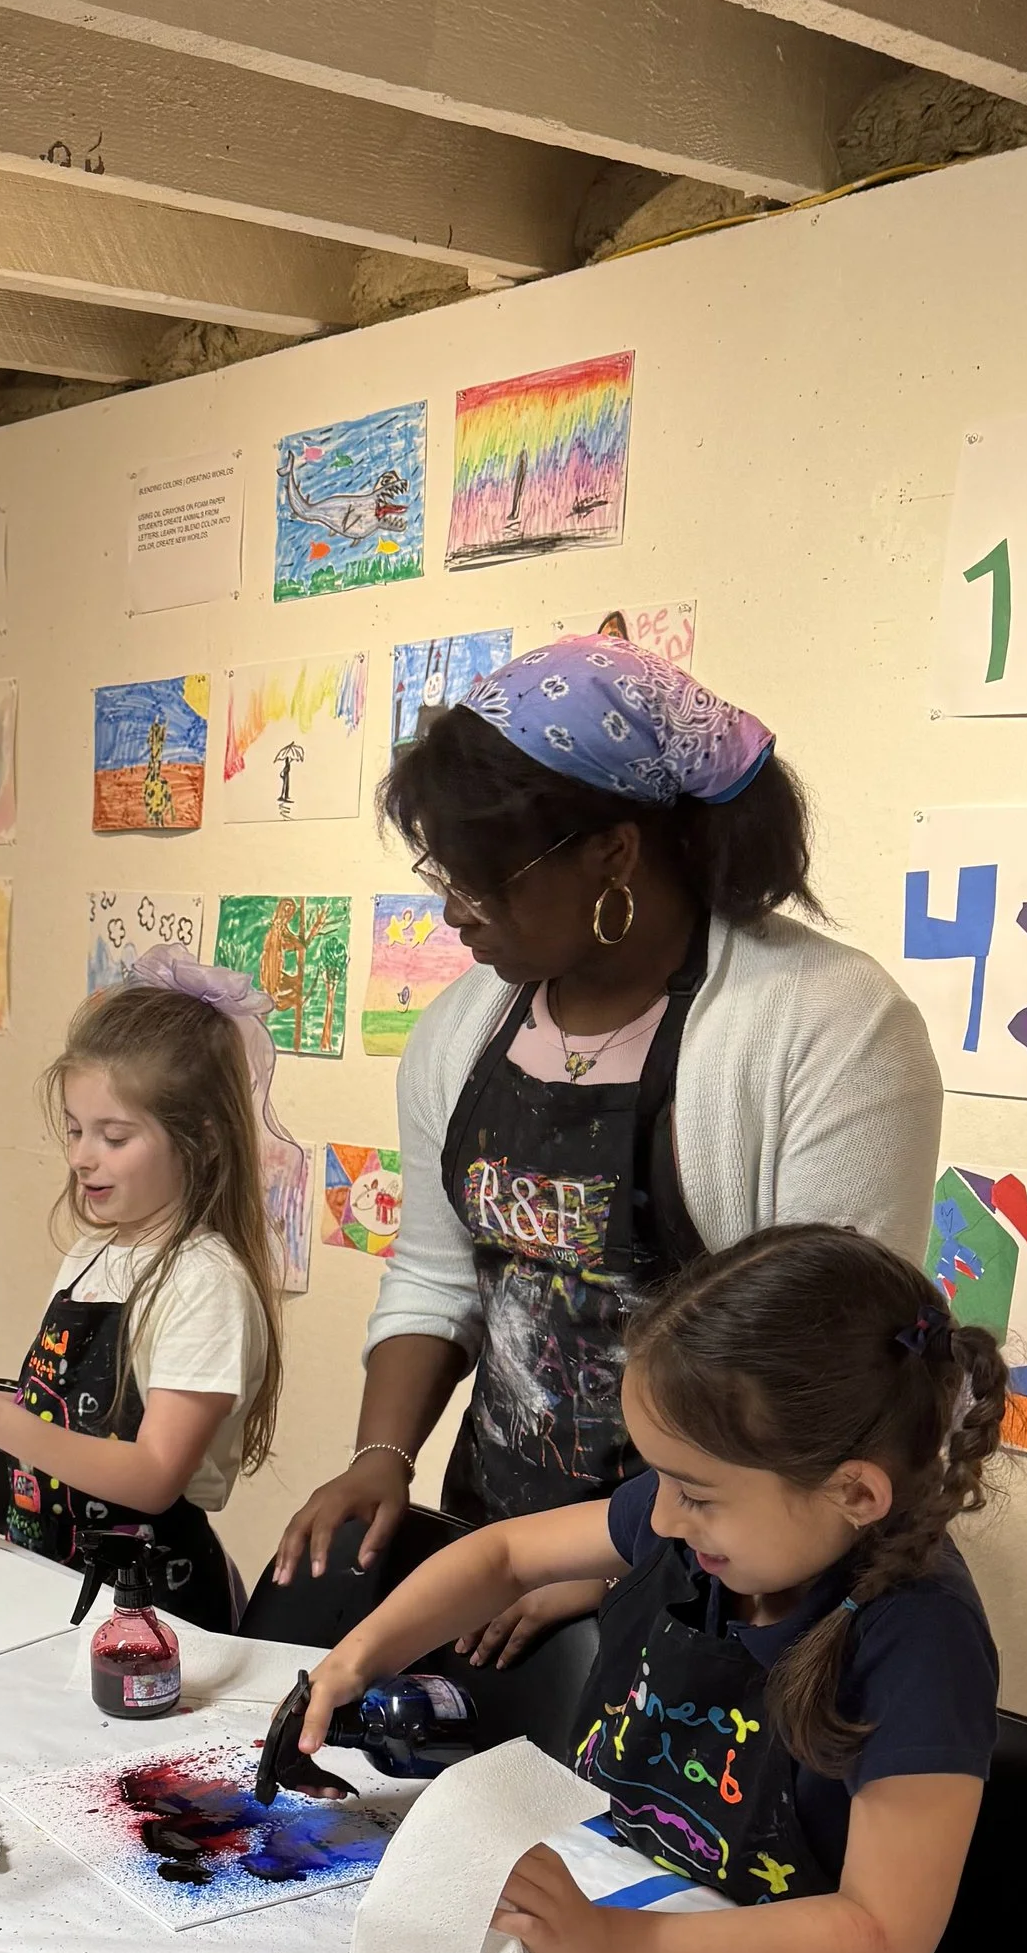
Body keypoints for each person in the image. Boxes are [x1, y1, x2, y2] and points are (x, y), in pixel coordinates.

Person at [272, 634, 942, 1656]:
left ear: (613, 854)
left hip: (729, 1570)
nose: (454, 913)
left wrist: (632, 1550)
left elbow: (828, 1366)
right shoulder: (464, 1027)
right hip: (496, 1534)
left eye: (483, 881)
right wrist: (380, 1455)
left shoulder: (828, 1026)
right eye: (441, 875)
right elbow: (434, 1272)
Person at [300, 1228, 1005, 1953]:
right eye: (658, 1479)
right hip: (626, 1888)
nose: (660, 1518)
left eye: (696, 1493)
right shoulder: (699, 1529)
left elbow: (880, 1934)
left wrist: (609, 1944)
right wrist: (359, 1655)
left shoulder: (922, 1640)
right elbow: (503, 1558)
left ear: (855, 1494)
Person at [0, 972, 283, 1633]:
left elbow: (152, 1474)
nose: (82, 1157)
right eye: (76, 1129)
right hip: (52, 1581)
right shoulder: (93, 1255)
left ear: (203, 1137)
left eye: (114, 1136)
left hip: (150, 1613)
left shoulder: (205, 1283)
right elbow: (65, 1424)